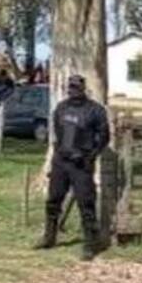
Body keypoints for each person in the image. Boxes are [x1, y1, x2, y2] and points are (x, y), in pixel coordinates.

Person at [36, 74, 110, 260]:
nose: (73, 90)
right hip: (61, 161)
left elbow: (104, 136)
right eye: (71, 87)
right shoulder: (61, 108)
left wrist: (90, 156)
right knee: (53, 200)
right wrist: (58, 153)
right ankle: (49, 237)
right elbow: (57, 132)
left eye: (76, 87)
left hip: (81, 164)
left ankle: (91, 244)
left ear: (83, 89)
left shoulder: (95, 110)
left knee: (86, 204)